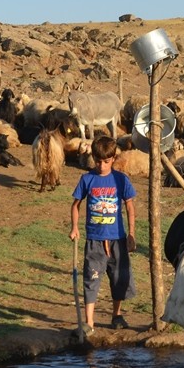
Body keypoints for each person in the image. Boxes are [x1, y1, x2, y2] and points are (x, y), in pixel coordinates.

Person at [70, 136, 137, 335]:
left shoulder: (121, 179)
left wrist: (131, 234)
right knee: (92, 277)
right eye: (98, 161)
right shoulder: (87, 179)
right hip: (94, 239)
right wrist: (75, 227)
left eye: (106, 162)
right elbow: (76, 205)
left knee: (119, 277)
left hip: (117, 237)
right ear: (94, 158)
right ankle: (89, 322)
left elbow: (130, 206)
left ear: (113, 159)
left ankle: (116, 314)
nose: (102, 166)